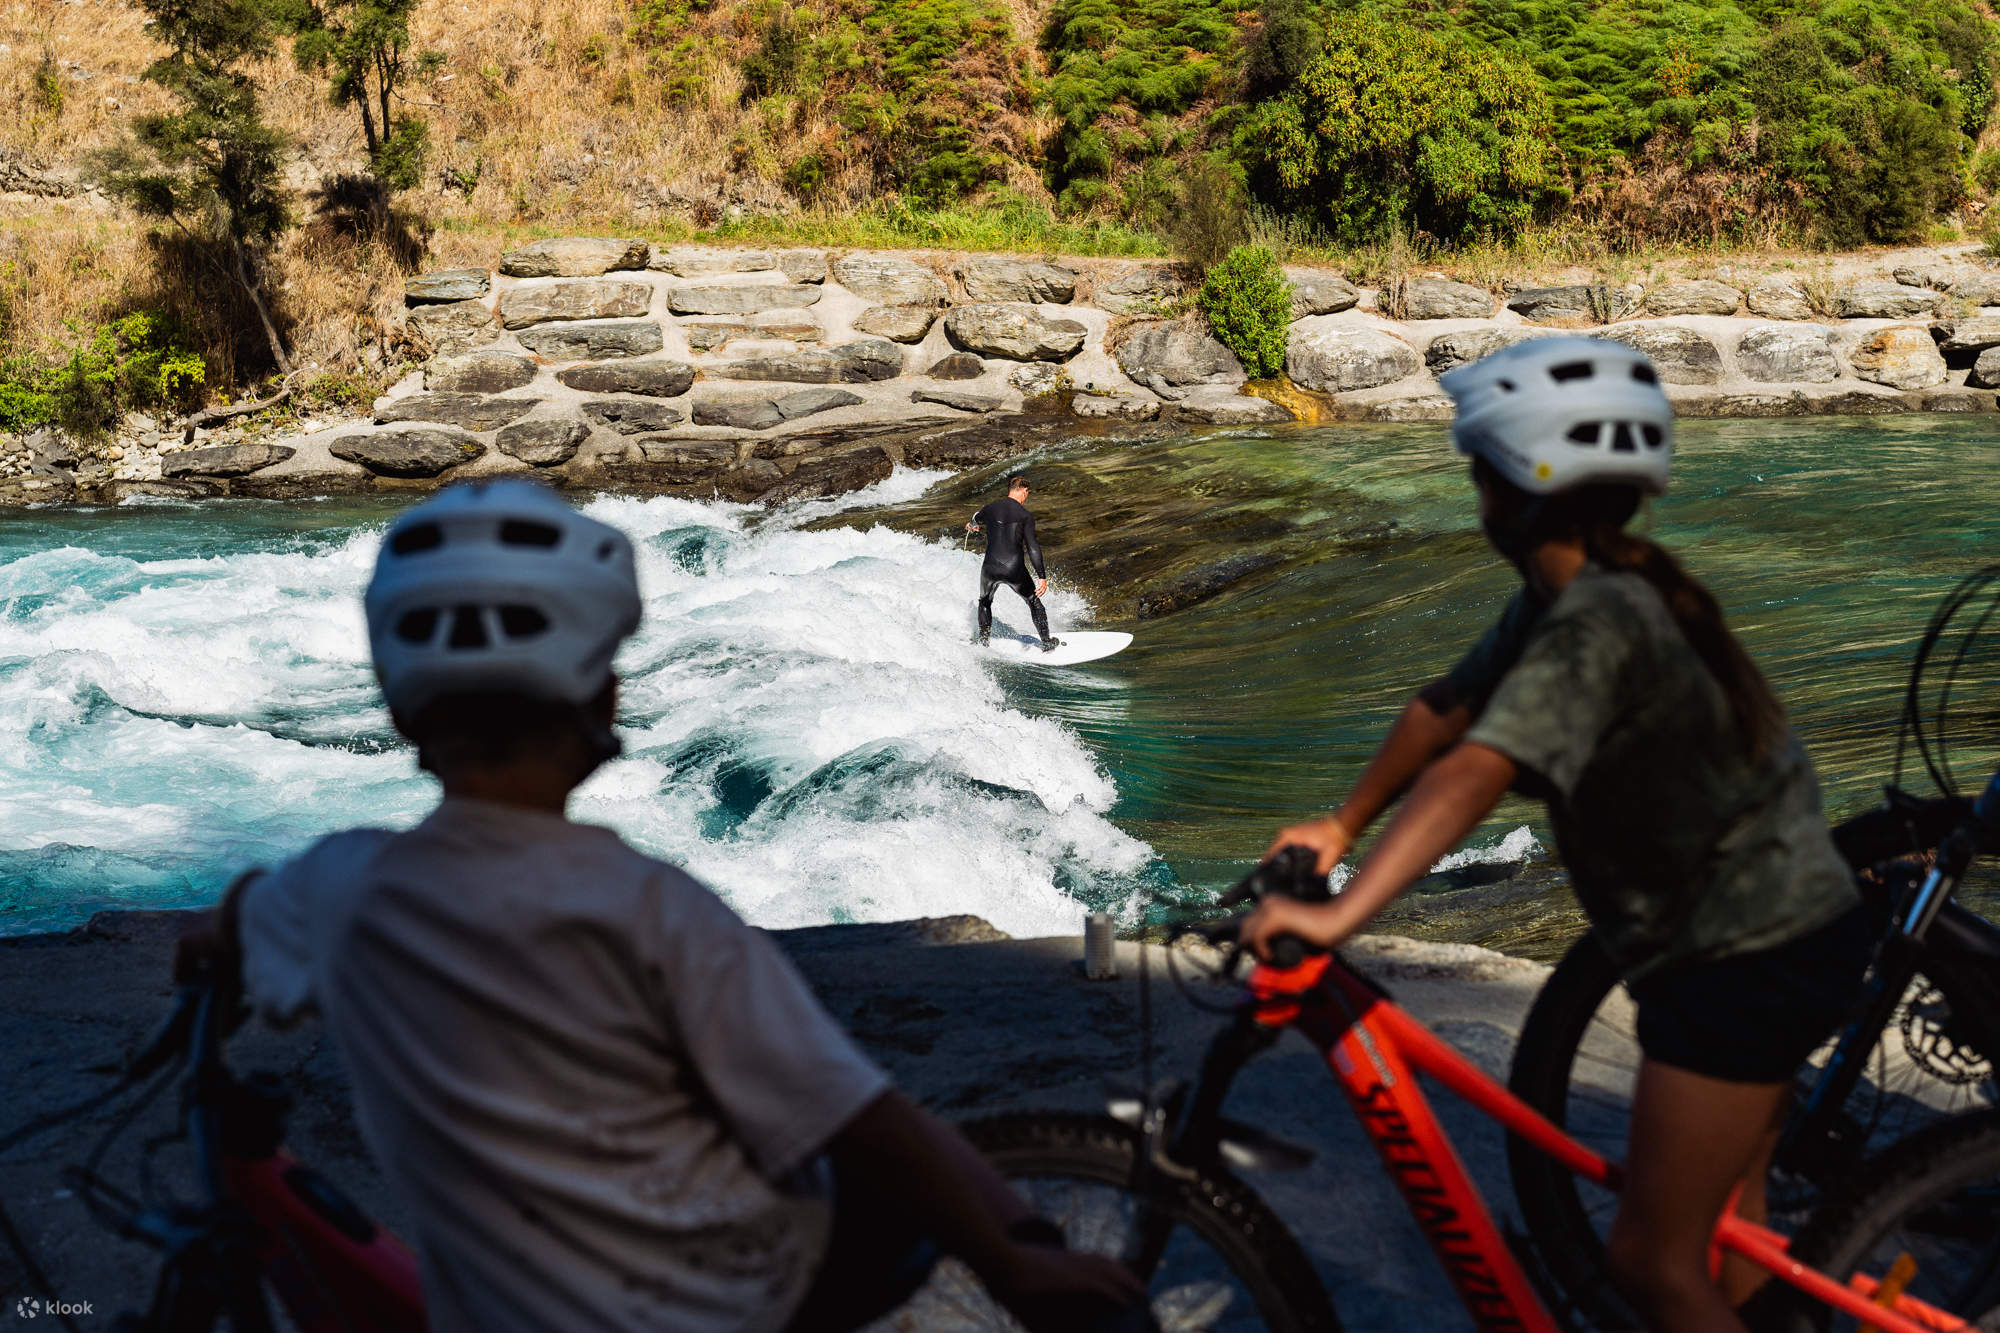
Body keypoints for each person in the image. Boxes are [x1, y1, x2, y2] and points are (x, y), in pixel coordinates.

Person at [174, 480, 1145, 1333]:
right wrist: (1016, 1259)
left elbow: (238, 921)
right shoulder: (657, 915)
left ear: (396, 708)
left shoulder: (335, 892)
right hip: (742, 1298)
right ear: (601, 700)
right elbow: (859, 1118)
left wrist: (215, 944)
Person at [1239, 338, 1872, 1333]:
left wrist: (1344, 913)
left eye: (1477, 468)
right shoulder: (1567, 593)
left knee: (1649, 1260)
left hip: (1747, 959)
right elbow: (1446, 709)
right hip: (1764, 934)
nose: (1471, 487)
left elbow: (1475, 770)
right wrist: (1337, 822)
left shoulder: (1600, 620)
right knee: (1726, 1228)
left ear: (1521, 487)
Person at [967, 474, 1060, 650]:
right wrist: (1042, 576)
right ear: (1024, 491)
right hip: (1013, 568)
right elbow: (1033, 547)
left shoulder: (991, 508)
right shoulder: (1025, 515)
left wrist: (972, 525)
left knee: (985, 601)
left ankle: (983, 642)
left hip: (990, 568)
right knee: (1033, 601)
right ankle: (1047, 643)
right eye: (1027, 494)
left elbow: (976, 519)